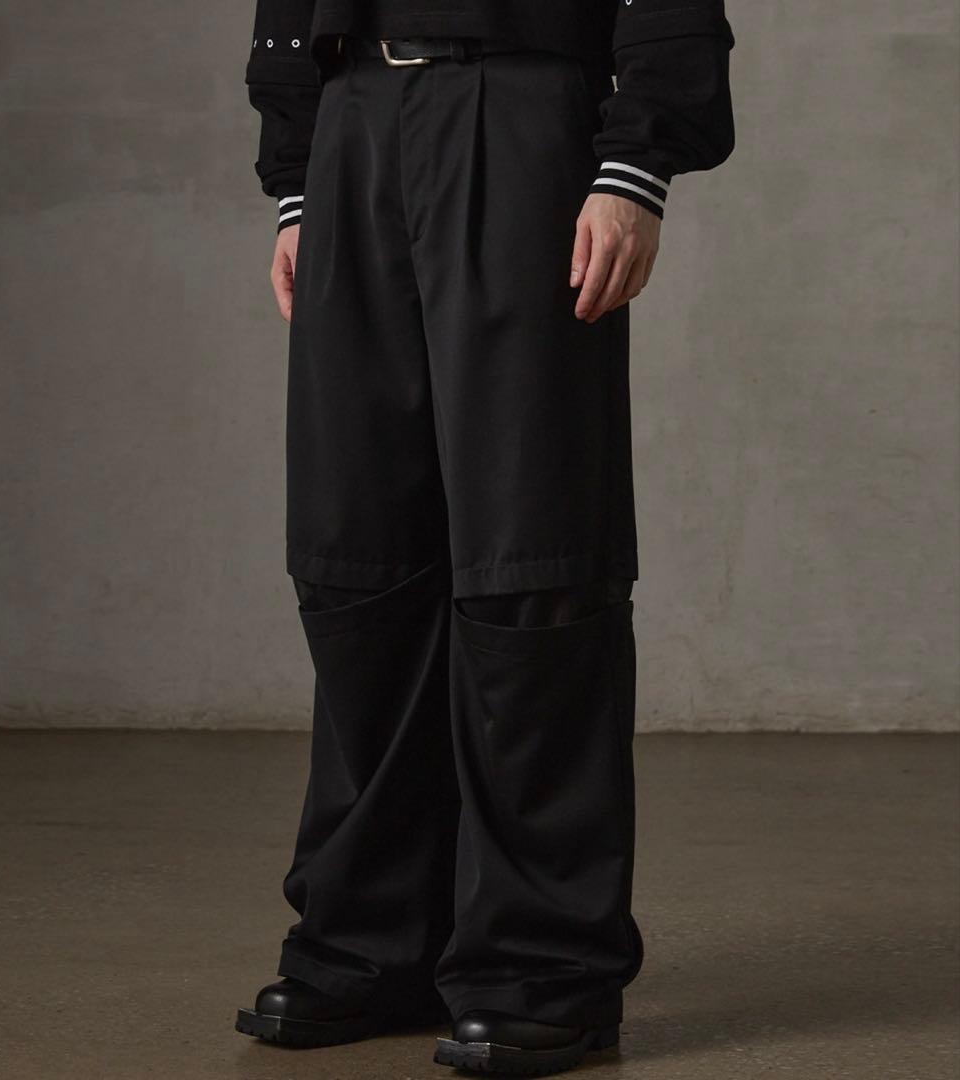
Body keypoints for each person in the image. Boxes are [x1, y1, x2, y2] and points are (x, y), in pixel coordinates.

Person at [235, 2, 735, 1074]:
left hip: (521, 115)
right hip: (353, 118)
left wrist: (633, 164)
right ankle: (372, 942)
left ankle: (541, 968)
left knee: (531, 555)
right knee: (356, 556)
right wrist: (298, 175)